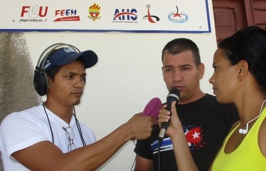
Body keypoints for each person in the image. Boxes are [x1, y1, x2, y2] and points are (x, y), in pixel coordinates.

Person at [159, 23, 266, 171]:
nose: (211, 79)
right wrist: (177, 134)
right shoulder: (236, 129)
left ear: (241, 70)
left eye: (217, 68)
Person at [0, 43, 155, 170]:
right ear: (46, 81)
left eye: (82, 77)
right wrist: (127, 130)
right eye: (70, 76)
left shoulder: (87, 134)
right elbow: (59, 168)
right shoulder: (18, 123)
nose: (79, 83)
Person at [134, 38, 239, 171]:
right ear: (163, 73)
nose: (176, 77)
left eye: (185, 68)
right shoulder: (154, 117)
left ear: (200, 70)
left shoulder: (227, 110)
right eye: (169, 70)